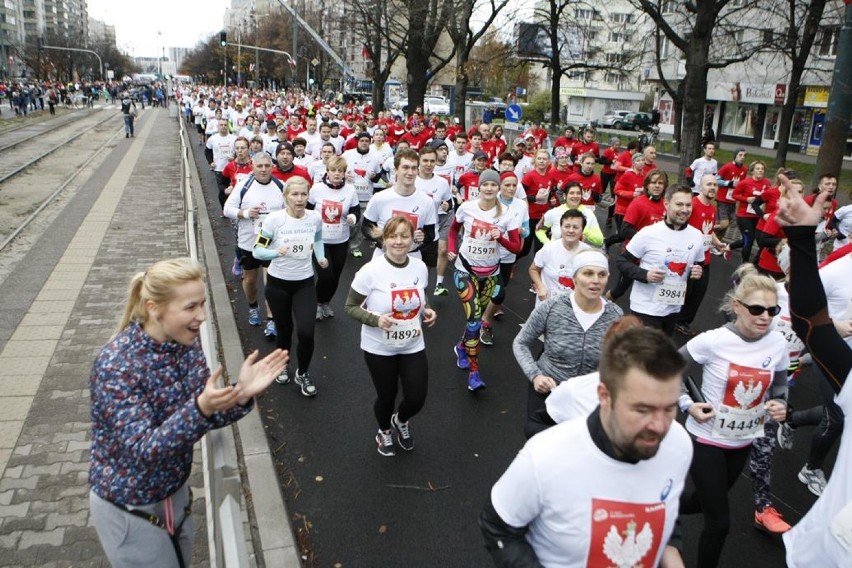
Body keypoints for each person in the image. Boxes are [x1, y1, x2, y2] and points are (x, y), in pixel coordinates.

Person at [89, 258, 287, 568]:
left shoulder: (187, 345)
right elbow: (144, 449)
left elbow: (207, 414)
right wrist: (200, 408)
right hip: (128, 506)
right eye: (191, 307)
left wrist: (240, 393)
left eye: (204, 304)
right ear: (155, 308)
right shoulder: (116, 364)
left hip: (175, 494)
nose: (202, 317)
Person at [482, 327, 691, 568]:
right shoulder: (543, 456)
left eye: (669, 409)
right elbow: (497, 527)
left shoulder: (679, 446)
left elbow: (665, 506)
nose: (659, 426)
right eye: (642, 410)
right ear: (605, 395)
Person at [676, 273, 789, 568]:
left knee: (700, 502)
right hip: (706, 439)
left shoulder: (777, 343)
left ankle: (662, 507)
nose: (765, 316)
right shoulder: (713, 341)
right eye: (756, 309)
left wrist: (781, 404)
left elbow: (779, 385)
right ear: (737, 306)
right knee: (720, 522)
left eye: (772, 310)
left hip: (744, 440)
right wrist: (688, 404)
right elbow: (668, 369)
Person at [772, 188, 852, 567]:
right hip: (830, 554)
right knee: (833, 417)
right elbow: (812, 325)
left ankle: (791, 420)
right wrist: (801, 239)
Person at [345, 216, 437, 456]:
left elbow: (420, 297)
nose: (399, 242)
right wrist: (376, 319)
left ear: (412, 239)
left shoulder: (419, 267)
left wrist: (426, 310)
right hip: (379, 347)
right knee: (386, 396)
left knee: (417, 397)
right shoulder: (371, 270)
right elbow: (350, 306)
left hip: (412, 343)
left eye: (404, 236)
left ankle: (401, 420)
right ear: (384, 239)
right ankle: (384, 430)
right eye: (393, 236)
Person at [514, 249, 622, 437]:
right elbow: (521, 342)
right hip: (548, 391)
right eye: (588, 273)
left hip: (587, 398)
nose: (595, 280)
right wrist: (535, 376)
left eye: (602, 274)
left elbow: (621, 361)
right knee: (540, 443)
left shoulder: (615, 316)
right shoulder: (552, 307)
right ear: (574, 277)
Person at [448, 169, 522, 391]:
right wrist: (451, 249)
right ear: (478, 187)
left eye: (493, 185)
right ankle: (474, 372)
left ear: (498, 188)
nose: (489, 188)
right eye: (485, 185)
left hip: (490, 273)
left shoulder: (508, 213)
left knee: (476, 320)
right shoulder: (467, 208)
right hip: (465, 270)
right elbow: (453, 230)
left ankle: (462, 346)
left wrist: (502, 239)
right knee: (474, 321)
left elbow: (517, 247)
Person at [253, 177, 327, 396]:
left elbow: (319, 239)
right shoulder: (275, 220)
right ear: (285, 197)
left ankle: (302, 373)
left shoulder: (314, 217)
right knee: (284, 330)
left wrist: (320, 257)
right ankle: (283, 364)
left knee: (306, 332)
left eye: (304, 194)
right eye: (294, 194)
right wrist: (276, 252)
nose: (300, 199)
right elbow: (257, 250)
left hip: (304, 283)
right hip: (278, 285)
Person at [616, 185, 705, 336]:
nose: (684, 209)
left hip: (673, 308)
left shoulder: (697, 236)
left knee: (662, 355)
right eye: (679, 204)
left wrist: (697, 272)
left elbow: (698, 264)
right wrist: (645, 275)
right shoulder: (648, 233)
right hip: (646, 308)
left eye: (688, 205)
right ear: (667, 204)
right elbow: (621, 261)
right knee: (646, 356)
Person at [223, 153, 284, 335]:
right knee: (250, 280)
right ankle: (253, 306)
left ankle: (271, 320)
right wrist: (246, 213)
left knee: (271, 283)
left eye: (267, 166)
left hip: (272, 244)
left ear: (272, 167)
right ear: (253, 166)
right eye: (260, 166)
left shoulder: (281, 186)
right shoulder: (244, 186)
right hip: (249, 242)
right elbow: (227, 209)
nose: (264, 169)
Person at [307, 155, 360, 320]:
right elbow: (307, 211)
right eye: (333, 170)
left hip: (341, 240)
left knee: (335, 277)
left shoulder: (350, 190)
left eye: (340, 171)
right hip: (320, 241)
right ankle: (316, 303)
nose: (337, 174)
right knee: (325, 275)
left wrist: (353, 217)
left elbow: (355, 211)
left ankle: (325, 303)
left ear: (344, 173)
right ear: (327, 172)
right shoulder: (316, 189)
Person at [529, 209, 593, 306]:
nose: (571, 230)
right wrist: (541, 286)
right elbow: (533, 269)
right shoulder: (548, 249)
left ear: (582, 230)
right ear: (561, 227)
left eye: (576, 227)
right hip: (546, 305)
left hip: (573, 307)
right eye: (567, 226)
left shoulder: (589, 253)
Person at [731, 160, 771, 263]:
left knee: (750, 240)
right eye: (758, 169)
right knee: (749, 239)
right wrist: (746, 199)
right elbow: (734, 195)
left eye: (762, 169)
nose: (760, 171)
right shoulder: (745, 182)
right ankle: (744, 263)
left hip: (758, 215)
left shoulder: (767, 183)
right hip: (744, 215)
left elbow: (768, 197)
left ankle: (729, 246)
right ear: (752, 170)